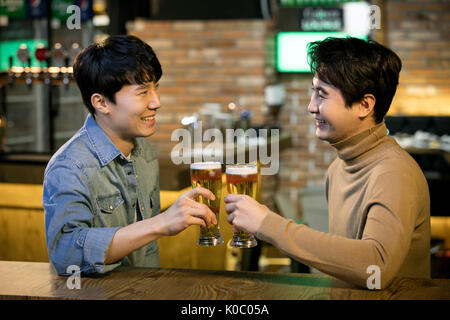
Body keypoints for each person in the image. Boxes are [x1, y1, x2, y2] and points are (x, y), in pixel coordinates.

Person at [224, 37, 430, 289]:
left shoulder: (394, 173)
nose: (311, 107)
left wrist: (269, 225)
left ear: (365, 105)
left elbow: (376, 268)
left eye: (322, 95)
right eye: (314, 92)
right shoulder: (338, 168)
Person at [43, 35, 217, 276]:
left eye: (156, 87)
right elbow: (66, 254)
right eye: (143, 92)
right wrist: (161, 223)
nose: (157, 102)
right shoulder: (70, 166)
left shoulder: (145, 154)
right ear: (101, 102)